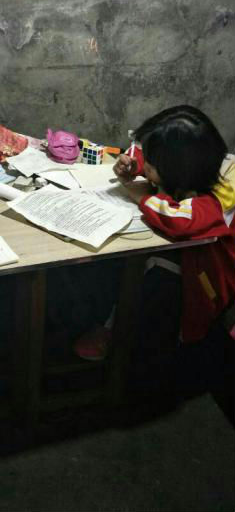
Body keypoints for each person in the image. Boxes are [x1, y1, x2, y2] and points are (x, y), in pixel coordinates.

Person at [73, 105, 235, 367]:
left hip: (206, 281)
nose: (145, 164)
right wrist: (134, 163)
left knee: (146, 274)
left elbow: (182, 221)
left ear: (176, 171)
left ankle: (125, 338)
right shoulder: (191, 165)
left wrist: (142, 197)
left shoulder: (219, 197)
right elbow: (141, 150)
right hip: (184, 257)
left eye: (151, 163)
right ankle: (110, 322)